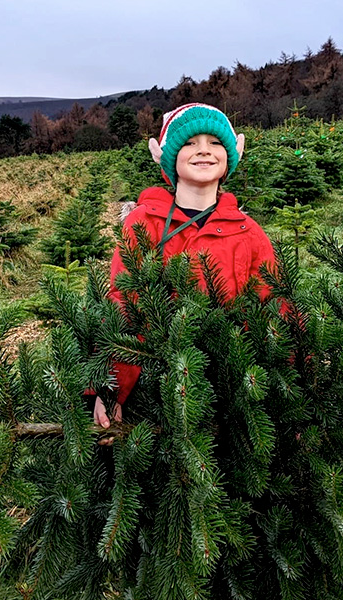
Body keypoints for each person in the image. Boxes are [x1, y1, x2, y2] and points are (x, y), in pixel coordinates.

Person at [93, 103, 285, 437]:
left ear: (229, 157)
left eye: (214, 143)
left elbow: (276, 308)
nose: (203, 151)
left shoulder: (248, 232)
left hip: (231, 395)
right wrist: (111, 389)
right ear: (169, 157)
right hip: (153, 393)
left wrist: (291, 389)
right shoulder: (144, 222)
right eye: (190, 143)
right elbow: (124, 303)